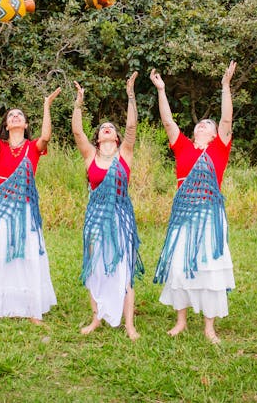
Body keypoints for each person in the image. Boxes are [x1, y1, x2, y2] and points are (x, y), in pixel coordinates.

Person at [149, 61, 237, 343]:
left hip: (209, 214)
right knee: (180, 265)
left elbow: (226, 120)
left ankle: (209, 327)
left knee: (209, 267)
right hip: (184, 214)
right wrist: (161, 90)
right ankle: (181, 321)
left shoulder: (219, 149)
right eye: (200, 122)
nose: (203, 124)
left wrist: (225, 87)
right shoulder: (183, 146)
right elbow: (167, 121)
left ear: (214, 134)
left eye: (207, 124)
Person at [0, 88, 61, 329]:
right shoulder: (1, 146)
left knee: (30, 256)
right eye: (10, 115)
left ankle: (34, 311)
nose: (14, 117)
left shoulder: (34, 147)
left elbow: (46, 136)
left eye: (19, 115)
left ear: (24, 124)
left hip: (25, 208)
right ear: (6, 124)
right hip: (3, 207)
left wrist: (46, 106)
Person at [72, 72, 144, 341]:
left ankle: (129, 325)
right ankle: (96, 318)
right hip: (96, 218)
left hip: (121, 218)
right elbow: (77, 131)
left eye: (110, 127)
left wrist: (130, 96)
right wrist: (79, 103)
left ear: (115, 137)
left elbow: (132, 128)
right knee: (95, 267)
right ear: (98, 137)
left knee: (124, 268)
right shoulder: (90, 155)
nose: (107, 128)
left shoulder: (125, 154)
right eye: (102, 127)